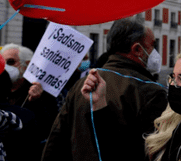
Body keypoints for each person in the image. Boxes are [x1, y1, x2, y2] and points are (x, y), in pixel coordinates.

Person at [42, 16, 168, 161]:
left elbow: (56, 139)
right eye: (152, 45)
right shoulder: (151, 92)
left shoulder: (81, 84)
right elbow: (155, 151)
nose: (155, 52)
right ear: (138, 49)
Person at [0, 43, 58, 159]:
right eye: (2, 62)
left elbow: (50, 126)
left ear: (27, 65)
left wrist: (36, 102)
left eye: (11, 62)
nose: (6, 66)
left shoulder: (42, 91)